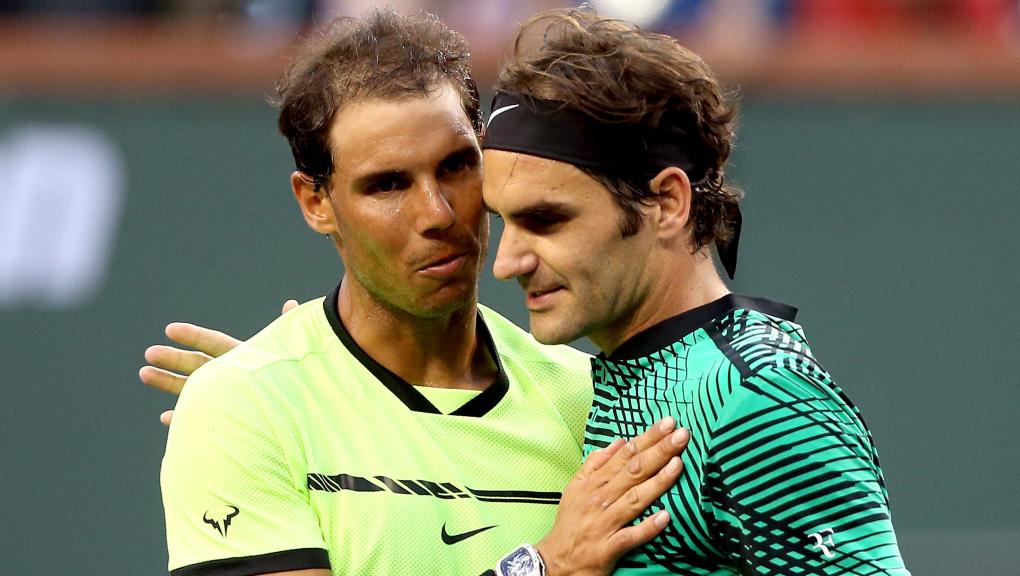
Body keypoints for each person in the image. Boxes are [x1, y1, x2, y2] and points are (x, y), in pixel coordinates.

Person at [155, 9, 688, 576]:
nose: (438, 213)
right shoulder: (243, 408)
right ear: (316, 203)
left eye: (458, 166)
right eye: (388, 184)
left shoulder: (596, 403)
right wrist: (545, 567)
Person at [478, 7, 910, 575]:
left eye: (547, 220)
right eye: (503, 221)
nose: (507, 262)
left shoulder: (757, 395)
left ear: (667, 203)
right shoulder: (626, 377)